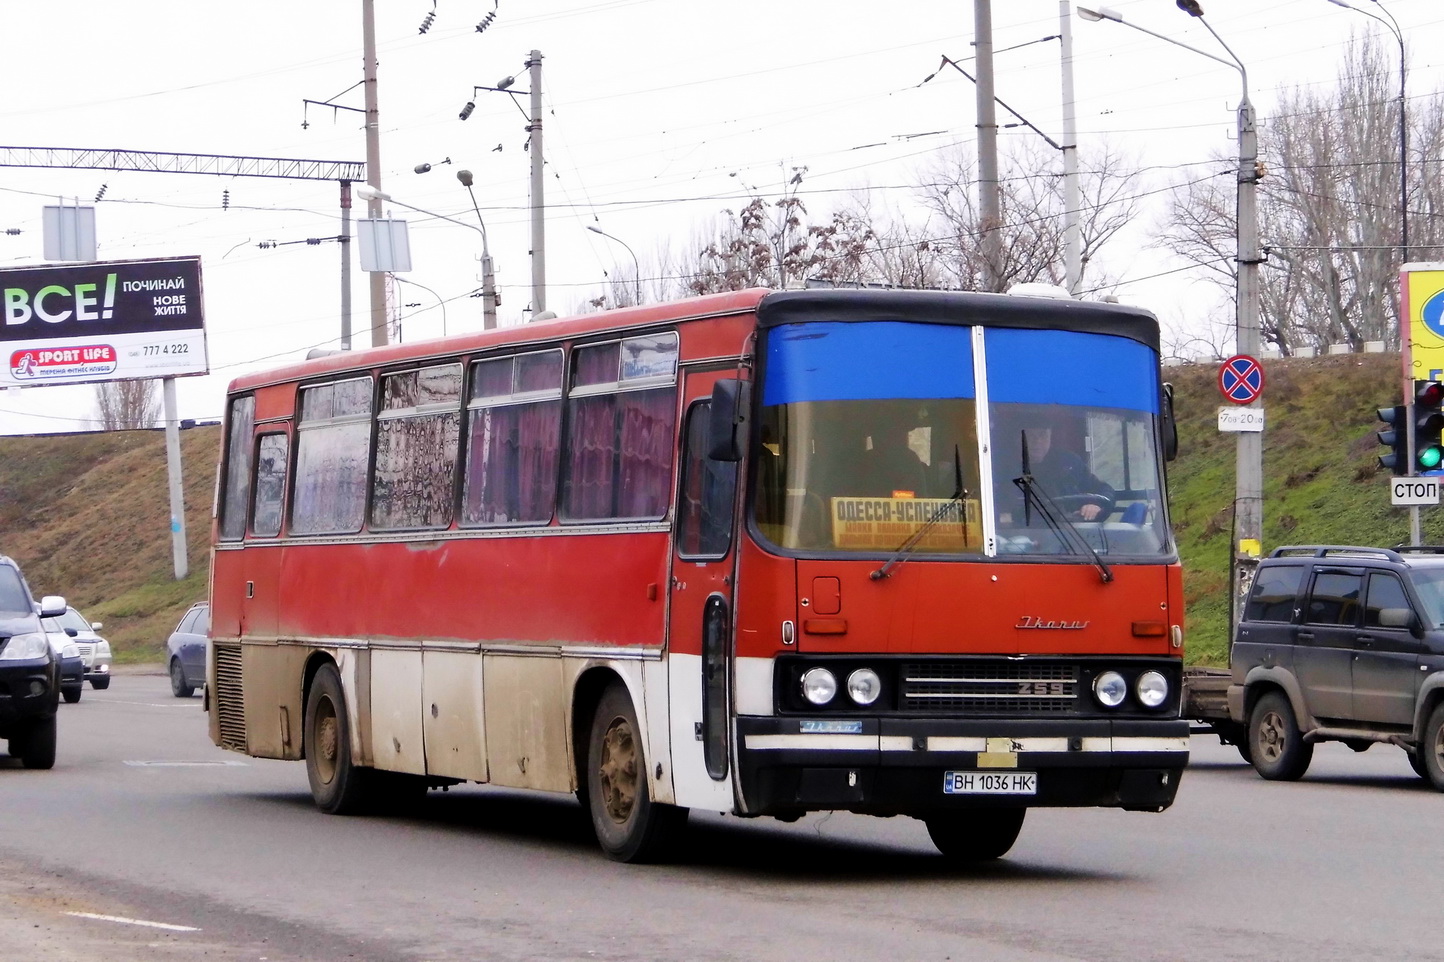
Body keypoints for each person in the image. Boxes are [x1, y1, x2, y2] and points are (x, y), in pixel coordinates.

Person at [1017, 424, 1115, 520]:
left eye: (1043, 434)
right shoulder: (1005, 468)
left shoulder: (1068, 462)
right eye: (1030, 436)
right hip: (1021, 532)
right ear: (1019, 438)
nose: (1037, 441)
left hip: (1072, 532)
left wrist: (1096, 505)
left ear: (1050, 436)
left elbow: (1103, 489)